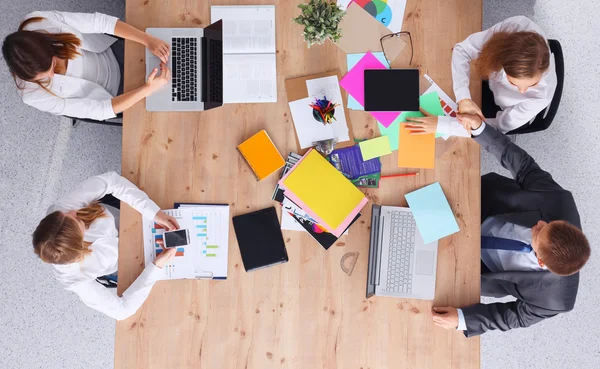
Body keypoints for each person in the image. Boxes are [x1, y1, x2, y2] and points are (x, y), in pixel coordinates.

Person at [431, 113, 591, 337]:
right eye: (548, 224)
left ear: (541, 260)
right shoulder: (559, 201)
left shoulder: (555, 300)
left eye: (538, 231)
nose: (540, 222)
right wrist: (480, 129)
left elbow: (511, 317)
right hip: (471, 206)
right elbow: (522, 164)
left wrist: (460, 319)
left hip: (470, 266)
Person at [32, 172, 179, 320]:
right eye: (77, 220)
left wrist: (153, 212)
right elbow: (122, 311)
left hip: (125, 216)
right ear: (79, 244)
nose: (73, 211)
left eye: (68, 215)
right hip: (126, 263)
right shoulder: (73, 278)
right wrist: (155, 268)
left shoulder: (62, 212)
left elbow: (111, 181)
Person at [2, 11, 171, 121]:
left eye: (53, 66)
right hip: (122, 94)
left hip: (117, 51)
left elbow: (101, 22)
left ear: (49, 45)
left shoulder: (39, 22)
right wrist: (148, 89)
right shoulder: (32, 96)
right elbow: (99, 111)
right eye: (44, 77)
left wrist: (148, 39)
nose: (52, 76)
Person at [451, 16, 557, 133]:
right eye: (513, 83)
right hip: (488, 79)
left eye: (533, 84)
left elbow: (498, 126)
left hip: (503, 111)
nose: (522, 91)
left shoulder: (542, 95)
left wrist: (447, 125)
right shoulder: (513, 28)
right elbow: (462, 50)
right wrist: (463, 98)